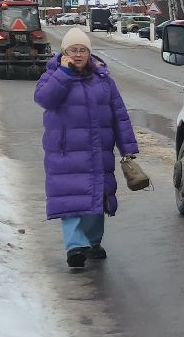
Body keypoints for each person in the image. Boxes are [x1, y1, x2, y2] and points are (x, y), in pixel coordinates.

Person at [34, 28, 139, 269]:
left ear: (89, 53)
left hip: (97, 151)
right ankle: (74, 247)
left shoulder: (103, 80)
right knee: (70, 200)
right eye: (73, 50)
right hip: (65, 152)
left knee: (95, 200)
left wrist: (127, 147)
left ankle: (92, 243)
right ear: (64, 52)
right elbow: (44, 100)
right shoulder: (52, 75)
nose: (78, 54)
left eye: (83, 50)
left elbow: (119, 115)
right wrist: (64, 72)